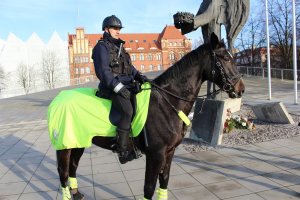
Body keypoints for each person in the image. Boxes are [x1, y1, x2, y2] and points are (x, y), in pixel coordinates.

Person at [92, 15, 148, 164]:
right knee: (127, 110)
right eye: (115, 28)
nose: (118, 31)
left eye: (119, 28)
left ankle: (136, 141)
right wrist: (118, 87)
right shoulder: (101, 47)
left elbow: (130, 67)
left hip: (126, 84)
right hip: (111, 87)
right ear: (106, 29)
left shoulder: (120, 47)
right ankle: (122, 151)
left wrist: (140, 76)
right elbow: (103, 72)